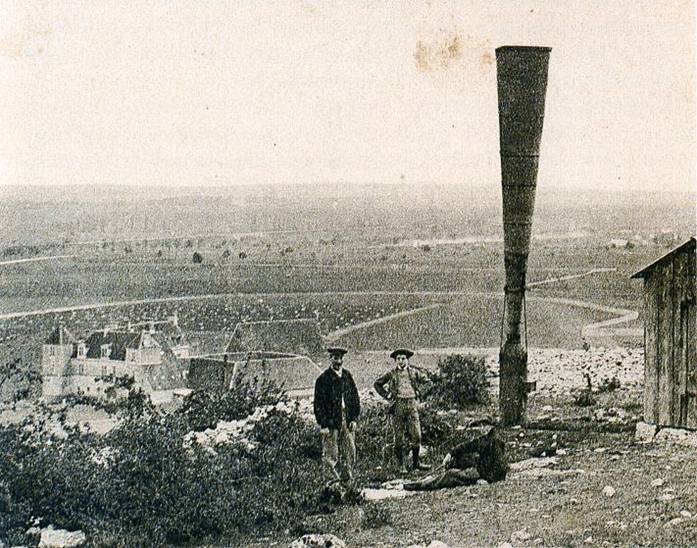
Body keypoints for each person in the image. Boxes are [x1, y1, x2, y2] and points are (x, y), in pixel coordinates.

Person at [374, 348, 431, 474]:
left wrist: (420, 393)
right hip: (398, 405)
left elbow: (428, 382)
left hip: (412, 404)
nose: (401, 361)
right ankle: (401, 465)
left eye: (403, 358)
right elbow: (377, 384)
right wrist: (387, 395)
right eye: (398, 359)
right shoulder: (392, 373)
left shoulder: (414, 372)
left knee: (416, 435)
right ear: (395, 361)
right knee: (398, 437)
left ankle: (416, 464)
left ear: (407, 360)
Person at [313, 347, 360, 483]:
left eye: (340, 358)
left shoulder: (347, 376)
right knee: (330, 454)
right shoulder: (323, 379)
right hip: (331, 420)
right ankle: (332, 483)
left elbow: (355, 398)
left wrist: (354, 418)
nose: (338, 361)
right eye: (335, 358)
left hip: (347, 418)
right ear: (330, 359)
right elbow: (318, 404)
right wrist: (323, 424)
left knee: (350, 450)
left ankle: (348, 480)